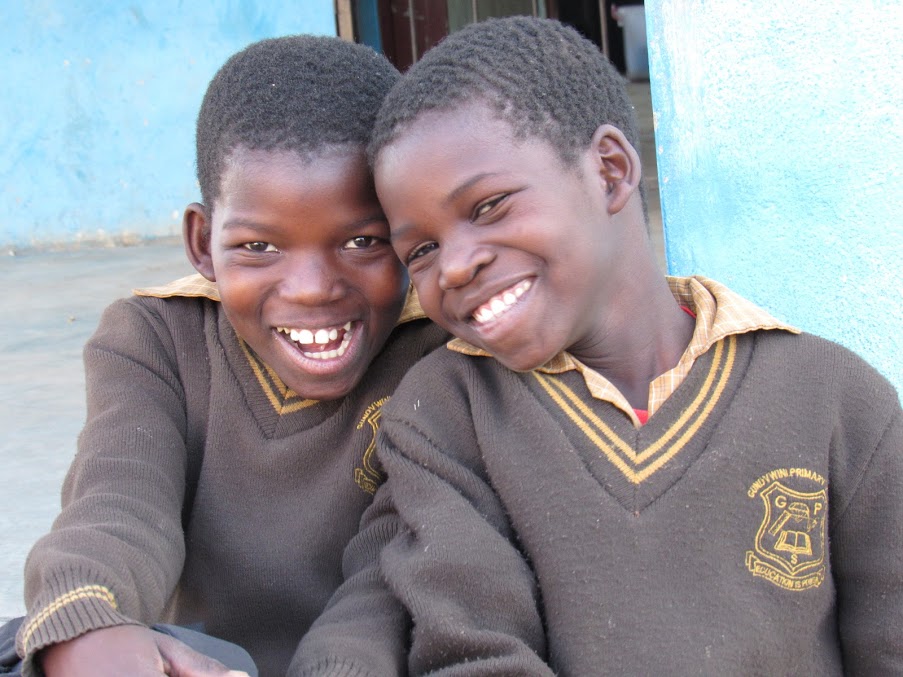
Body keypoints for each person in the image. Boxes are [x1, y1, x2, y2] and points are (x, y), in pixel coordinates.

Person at [292, 17, 903, 676]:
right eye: (423, 248)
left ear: (608, 172)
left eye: (489, 205)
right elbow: (471, 649)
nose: (457, 265)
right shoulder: (446, 413)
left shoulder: (833, 398)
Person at [4, 35, 446, 677]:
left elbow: (391, 570)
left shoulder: (437, 357)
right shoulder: (153, 339)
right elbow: (119, 502)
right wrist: (90, 625)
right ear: (202, 242)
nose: (313, 287)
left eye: (361, 240)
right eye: (259, 247)